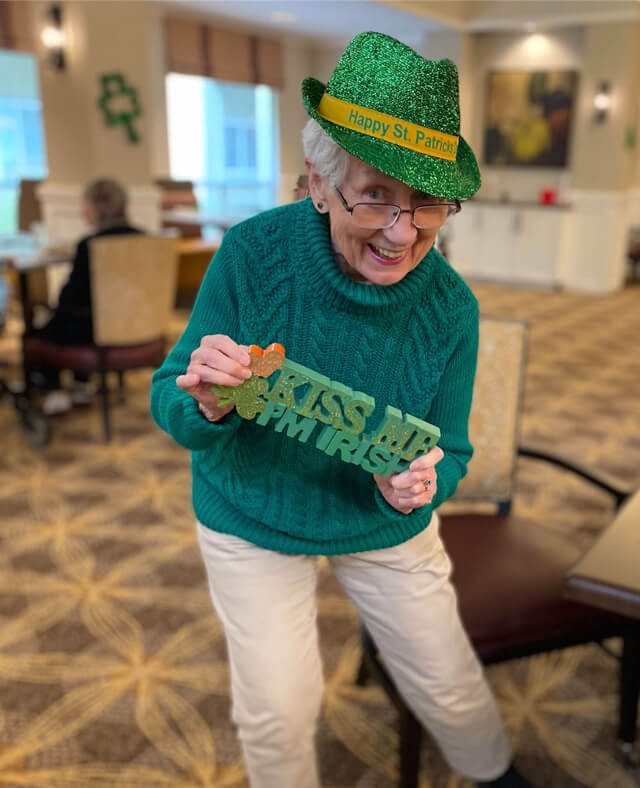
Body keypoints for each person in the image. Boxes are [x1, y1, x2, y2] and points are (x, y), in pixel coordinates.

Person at [150, 32, 532, 788]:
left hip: (380, 521)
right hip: (250, 510)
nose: (403, 231)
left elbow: (449, 451)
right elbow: (171, 396)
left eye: (427, 202)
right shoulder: (252, 254)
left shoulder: (451, 308)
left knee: (447, 679)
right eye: (376, 196)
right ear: (317, 185)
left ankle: (498, 779)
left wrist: (424, 483)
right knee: (279, 709)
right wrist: (207, 401)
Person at [29, 178, 142, 413]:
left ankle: (54, 390)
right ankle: (80, 386)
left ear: (94, 208)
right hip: (141, 327)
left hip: (95, 334)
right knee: (74, 319)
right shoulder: (145, 239)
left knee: (39, 333)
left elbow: (69, 298)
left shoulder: (90, 245)